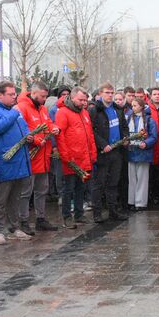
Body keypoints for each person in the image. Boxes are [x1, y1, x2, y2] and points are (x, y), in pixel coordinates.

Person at [0, 82, 33, 241]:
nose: (14, 97)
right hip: (4, 160)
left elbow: (23, 127)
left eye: (15, 94)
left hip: (18, 159)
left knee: (15, 197)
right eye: (11, 94)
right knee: (1, 197)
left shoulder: (13, 110)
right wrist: (12, 114)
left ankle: (14, 227)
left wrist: (28, 135)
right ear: (0, 95)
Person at [15, 82, 59, 233]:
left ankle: (40, 218)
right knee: (26, 191)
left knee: (42, 189)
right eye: (43, 96)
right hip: (30, 156)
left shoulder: (42, 108)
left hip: (43, 155)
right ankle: (23, 220)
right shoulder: (22, 107)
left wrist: (53, 128)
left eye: (46, 96)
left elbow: (47, 123)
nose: (45, 99)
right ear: (33, 94)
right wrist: (34, 140)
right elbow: (21, 130)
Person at [53, 87, 96, 228]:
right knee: (68, 189)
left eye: (85, 100)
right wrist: (66, 157)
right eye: (81, 100)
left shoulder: (84, 113)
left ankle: (79, 214)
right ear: (72, 98)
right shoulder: (63, 113)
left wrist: (92, 153)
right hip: (70, 159)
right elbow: (60, 136)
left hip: (84, 157)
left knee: (80, 187)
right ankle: (67, 216)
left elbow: (89, 135)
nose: (84, 102)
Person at [87, 83, 128, 223]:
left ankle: (113, 211)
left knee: (113, 182)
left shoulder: (118, 109)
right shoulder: (95, 110)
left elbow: (123, 126)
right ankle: (97, 213)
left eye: (112, 92)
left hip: (116, 151)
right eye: (107, 92)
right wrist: (103, 144)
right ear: (100, 94)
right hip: (102, 152)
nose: (110, 95)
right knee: (99, 184)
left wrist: (125, 138)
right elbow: (91, 131)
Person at [124, 94, 158, 212]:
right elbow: (125, 133)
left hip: (143, 152)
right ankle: (131, 201)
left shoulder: (149, 120)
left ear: (141, 107)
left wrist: (146, 143)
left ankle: (140, 202)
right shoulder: (128, 118)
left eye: (135, 105)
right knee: (132, 178)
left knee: (142, 178)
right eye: (132, 106)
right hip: (131, 150)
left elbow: (154, 136)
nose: (132, 108)